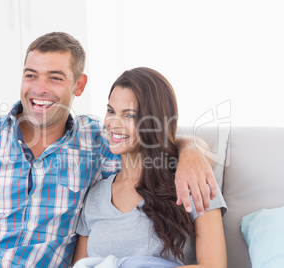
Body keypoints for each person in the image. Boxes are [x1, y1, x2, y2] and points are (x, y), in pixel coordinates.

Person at [0, 32, 218, 268]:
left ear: (79, 85)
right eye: (31, 75)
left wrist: (191, 149)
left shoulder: (97, 143)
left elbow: (147, 137)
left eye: (55, 77)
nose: (39, 88)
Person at [72, 67, 227, 268]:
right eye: (111, 111)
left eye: (128, 115)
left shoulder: (192, 180)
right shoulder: (95, 196)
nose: (113, 123)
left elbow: (214, 266)